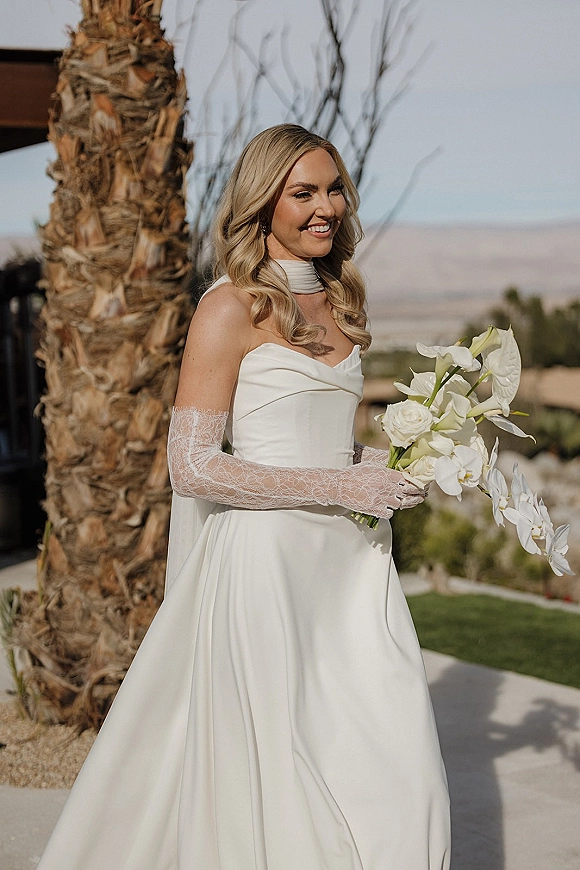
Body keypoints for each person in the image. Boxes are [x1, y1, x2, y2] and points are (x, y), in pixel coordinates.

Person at [37, 124, 450, 870]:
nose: (325, 206)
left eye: (332, 189)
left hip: (352, 566)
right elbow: (192, 465)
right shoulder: (228, 308)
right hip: (268, 571)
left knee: (394, 754)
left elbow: (322, 440)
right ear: (263, 205)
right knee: (290, 773)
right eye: (303, 193)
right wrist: (340, 483)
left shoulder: (343, 300)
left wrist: (396, 464)